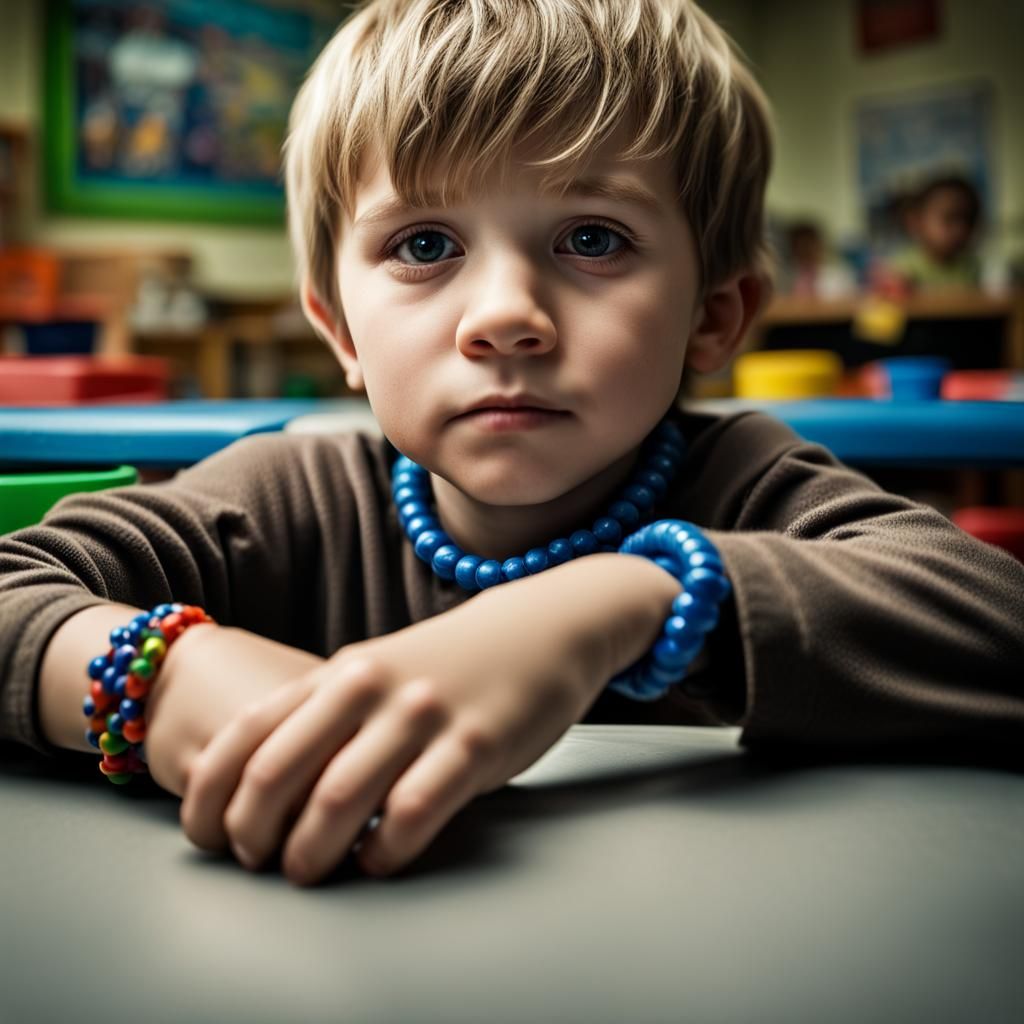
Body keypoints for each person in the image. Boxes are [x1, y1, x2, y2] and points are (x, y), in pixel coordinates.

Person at [1, 0, 1022, 889]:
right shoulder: (283, 496)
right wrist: (164, 681)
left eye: (591, 238)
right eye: (424, 245)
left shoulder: (747, 478)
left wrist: (617, 606)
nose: (502, 315)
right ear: (340, 329)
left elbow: (995, 619)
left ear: (714, 315)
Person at [885, 173, 983, 292]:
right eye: (950, 218)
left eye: (969, 220)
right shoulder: (903, 267)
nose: (960, 229)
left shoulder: (972, 265)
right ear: (916, 221)